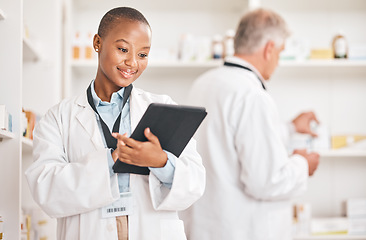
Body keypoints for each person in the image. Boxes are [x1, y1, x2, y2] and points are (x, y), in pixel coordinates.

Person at [25, 7, 205, 240]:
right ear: (98, 42)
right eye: (122, 49)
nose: (132, 63)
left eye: (142, 54)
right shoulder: (58, 118)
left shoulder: (164, 107)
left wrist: (160, 161)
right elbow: (45, 189)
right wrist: (111, 160)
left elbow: (195, 181)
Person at [179, 8, 320, 240]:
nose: (278, 62)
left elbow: (227, 139)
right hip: (239, 230)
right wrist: (303, 164)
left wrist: (290, 128)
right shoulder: (252, 95)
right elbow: (265, 182)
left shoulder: (203, 83)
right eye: (280, 53)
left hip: (204, 227)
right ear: (269, 49)